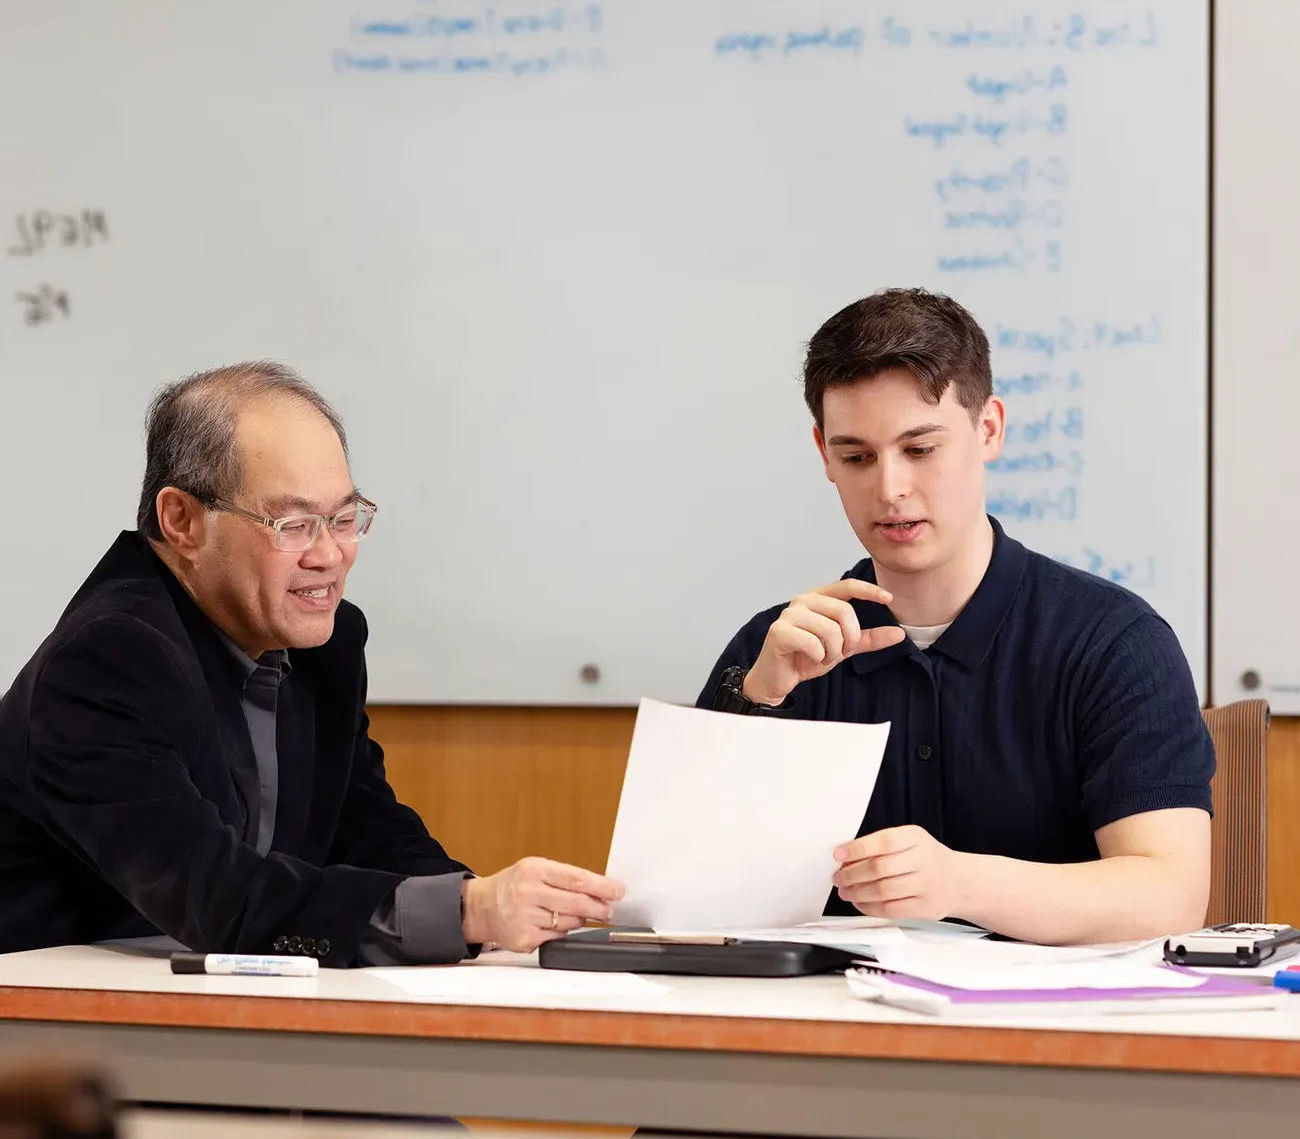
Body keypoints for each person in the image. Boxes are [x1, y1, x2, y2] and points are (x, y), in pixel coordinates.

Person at [0, 361, 621, 963]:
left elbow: (366, 827)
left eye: (345, 518)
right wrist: (464, 911)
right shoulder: (108, 658)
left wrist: (482, 911)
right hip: (46, 1022)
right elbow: (216, 894)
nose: (330, 555)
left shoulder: (327, 643)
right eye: (293, 523)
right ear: (182, 520)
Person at [699, 289, 1213, 944]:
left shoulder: (1114, 642)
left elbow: (1168, 894)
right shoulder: (776, 647)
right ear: (823, 454)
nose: (889, 489)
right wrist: (760, 699)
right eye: (856, 456)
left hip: (1056, 1030)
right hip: (829, 1026)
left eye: (920, 449)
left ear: (989, 429)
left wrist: (960, 882)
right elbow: (686, 899)